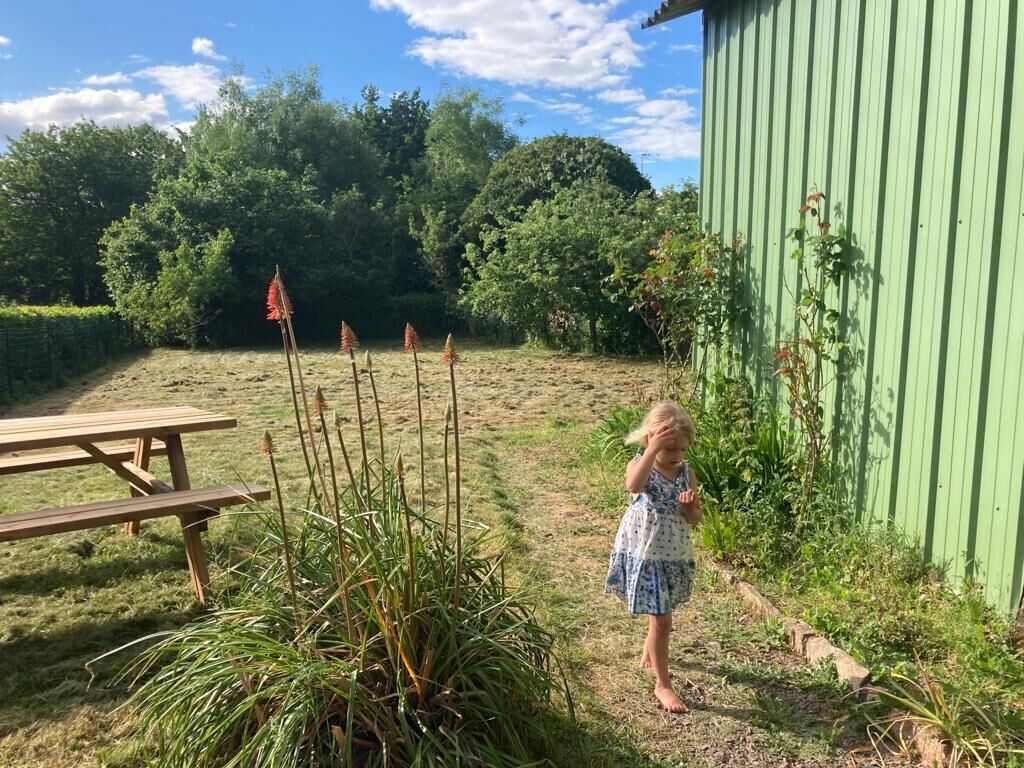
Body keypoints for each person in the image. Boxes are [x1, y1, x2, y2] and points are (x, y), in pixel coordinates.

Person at [605, 400, 702, 713]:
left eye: (681, 449)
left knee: (660, 611)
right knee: (662, 619)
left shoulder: (686, 473)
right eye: (669, 448)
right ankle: (663, 685)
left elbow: (695, 519)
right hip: (644, 552)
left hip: (672, 553)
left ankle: (652, 645)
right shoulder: (640, 465)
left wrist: (689, 507)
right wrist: (651, 450)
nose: (676, 456)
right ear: (650, 440)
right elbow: (633, 485)